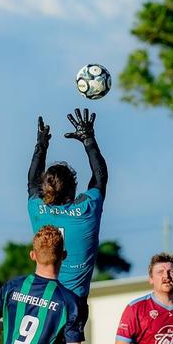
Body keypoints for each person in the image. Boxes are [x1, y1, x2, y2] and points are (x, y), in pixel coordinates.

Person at [27, 108, 107, 330]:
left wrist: (41, 145)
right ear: (73, 189)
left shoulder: (38, 209)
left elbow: (32, 183)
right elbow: (100, 178)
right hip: (74, 303)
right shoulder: (87, 209)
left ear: (46, 189)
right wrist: (88, 139)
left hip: (42, 300)